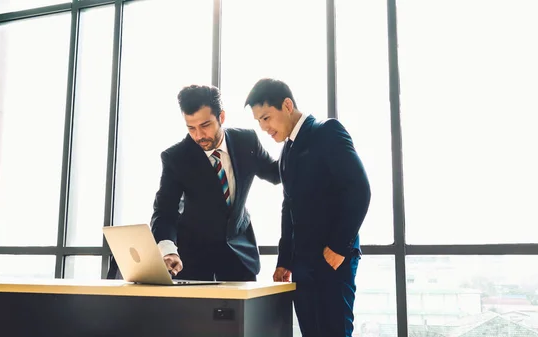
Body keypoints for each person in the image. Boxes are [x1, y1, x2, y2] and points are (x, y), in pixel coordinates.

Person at [107, 84, 280, 281]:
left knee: (244, 312)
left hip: (240, 257)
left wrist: (292, 136)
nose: (199, 136)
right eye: (191, 128)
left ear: (221, 117)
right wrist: (168, 250)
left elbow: (275, 174)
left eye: (205, 126)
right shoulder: (176, 158)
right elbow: (165, 211)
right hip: (193, 259)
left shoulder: (246, 141)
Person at [245, 78, 371, 337]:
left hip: (333, 260)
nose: (264, 127)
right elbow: (288, 206)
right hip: (302, 266)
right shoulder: (286, 151)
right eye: (259, 121)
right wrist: (284, 260)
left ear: (287, 105)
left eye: (267, 118)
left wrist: (338, 246)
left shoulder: (327, 131)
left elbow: (359, 190)